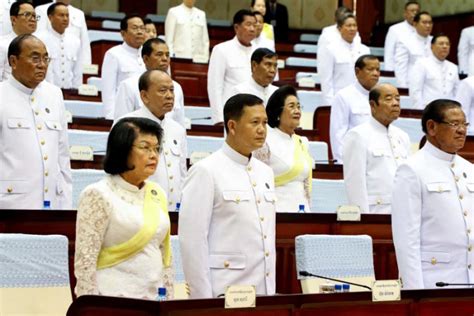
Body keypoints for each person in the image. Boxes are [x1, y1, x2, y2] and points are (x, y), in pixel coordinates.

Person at [179, 93, 276, 298]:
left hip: (262, 289)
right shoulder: (206, 171)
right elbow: (192, 242)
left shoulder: (265, 172)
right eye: (255, 122)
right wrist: (202, 301)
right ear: (232, 126)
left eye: (265, 123)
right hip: (223, 290)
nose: (262, 129)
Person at [74, 117, 174, 299]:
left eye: (156, 148)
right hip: (113, 301)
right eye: (145, 147)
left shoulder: (157, 193)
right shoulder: (98, 194)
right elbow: (85, 261)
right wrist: (90, 308)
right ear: (123, 149)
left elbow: (164, 254)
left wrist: (168, 297)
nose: (154, 155)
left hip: (154, 299)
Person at [392, 99, 473, 289]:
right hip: (435, 281)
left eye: (464, 124)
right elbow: (406, 240)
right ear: (432, 127)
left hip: (469, 278)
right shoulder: (411, 169)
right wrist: (415, 293)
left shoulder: (468, 169)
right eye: (454, 124)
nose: (462, 130)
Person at [0, 34, 71, 209]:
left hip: (51, 202)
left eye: (46, 58)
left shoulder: (54, 95)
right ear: (13, 61)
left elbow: (62, 155)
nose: (42, 64)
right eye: (35, 58)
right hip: (10, 204)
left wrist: (66, 203)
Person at [115, 70, 187, 213]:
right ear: (144, 96)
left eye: (171, 90)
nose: (169, 96)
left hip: (171, 210)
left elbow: (182, 173)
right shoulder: (127, 124)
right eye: (162, 90)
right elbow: (117, 172)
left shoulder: (177, 129)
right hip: (138, 209)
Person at [343, 84, 410, 214]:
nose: (395, 103)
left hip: (403, 211)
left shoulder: (402, 136)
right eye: (389, 99)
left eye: (398, 99)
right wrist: (364, 220)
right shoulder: (358, 135)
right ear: (373, 105)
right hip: (376, 212)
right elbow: (355, 184)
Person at [254, 85, 312, 213]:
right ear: (278, 113)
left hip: (303, 212)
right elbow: (257, 181)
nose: (297, 111)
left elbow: (306, 186)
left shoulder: (302, 142)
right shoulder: (265, 141)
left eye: (298, 106)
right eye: (291, 106)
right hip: (276, 213)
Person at [114, 38, 185, 127]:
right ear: (146, 59)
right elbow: (120, 126)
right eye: (159, 55)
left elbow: (180, 123)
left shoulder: (176, 87)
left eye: (167, 55)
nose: (164, 59)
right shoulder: (129, 85)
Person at [207, 9, 256, 124]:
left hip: (254, 113)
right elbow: (214, 86)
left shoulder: (258, 51)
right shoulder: (222, 50)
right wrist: (219, 118)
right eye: (248, 24)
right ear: (236, 27)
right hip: (231, 113)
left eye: (255, 25)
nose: (252, 29)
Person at [330, 54, 380, 163]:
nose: (376, 73)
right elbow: (338, 135)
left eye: (378, 69)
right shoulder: (344, 96)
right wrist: (342, 164)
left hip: (377, 159)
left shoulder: (381, 96)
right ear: (357, 72)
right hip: (354, 159)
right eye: (370, 69)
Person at [318, 13, 370, 106]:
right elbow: (326, 81)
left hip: (359, 99)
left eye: (354, 25)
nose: (352, 29)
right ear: (339, 29)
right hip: (338, 99)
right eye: (349, 26)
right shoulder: (330, 49)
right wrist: (329, 104)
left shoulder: (364, 50)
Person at [101, 15, 146, 119]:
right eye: (134, 28)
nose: (139, 31)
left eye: (142, 28)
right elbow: (108, 91)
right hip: (123, 113)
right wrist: (110, 116)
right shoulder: (114, 54)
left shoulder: (148, 54)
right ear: (123, 33)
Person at [36, 2, 83, 89]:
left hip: (69, 91)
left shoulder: (75, 41)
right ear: (50, 18)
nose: (65, 19)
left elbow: (78, 71)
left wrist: (76, 90)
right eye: (61, 15)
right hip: (45, 90)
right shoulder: (39, 39)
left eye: (67, 15)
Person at [410, 34, 459, 109]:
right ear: (432, 46)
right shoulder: (422, 64)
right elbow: (415, 91)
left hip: (449, 111)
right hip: (429, 110)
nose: (445, 46)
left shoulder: (453, 67)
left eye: (447, 44)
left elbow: (457, 92)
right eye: (441, 43)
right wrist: (419, 110)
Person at [35, 0, 91, 66]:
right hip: (50, 59)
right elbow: (38, 39)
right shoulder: (41, 10)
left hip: (71, 59)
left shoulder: (79, 14)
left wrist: (87, 67)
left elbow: (84, 44)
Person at [394, 11, 433, 88]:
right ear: (415, 24)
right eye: (424, 22)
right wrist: (403, 87)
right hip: (412, 85)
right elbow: (400, 68)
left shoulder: (435, 41)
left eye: (430, 23)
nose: (428, 25)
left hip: (431, 86)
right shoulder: (405, 41)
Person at [0, 0, 37, 81]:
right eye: (27, 14)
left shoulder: (40, 45)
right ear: (13, 19)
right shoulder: (2, 45)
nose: (33, 19)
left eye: (35, 16)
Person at [383, 1, 419, 71]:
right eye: (412, 11)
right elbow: (389, 53)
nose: (415, 13)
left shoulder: (422, 30)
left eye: (417, 11)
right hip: (399, 70)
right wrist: (390, 73)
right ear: (405, 13)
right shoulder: (395, 29)